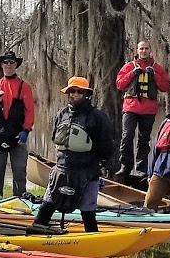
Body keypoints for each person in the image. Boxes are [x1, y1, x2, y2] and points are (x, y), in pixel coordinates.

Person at [29, 76, 116, 233]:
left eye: (79, 92)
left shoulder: (97, 117)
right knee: (47, 206)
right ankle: (34, 234)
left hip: (87, 171)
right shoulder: (61, 114)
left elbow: (107, 145)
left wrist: (101, 164)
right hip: (62, 169)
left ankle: (93, 242)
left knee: (88, 212)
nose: (75, 95)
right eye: (72, 91)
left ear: (85, 94)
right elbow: (55, 137)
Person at [114, 40, 170, 180]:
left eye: (146, 48)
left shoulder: (157, 68)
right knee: (127, 136)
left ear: (150, 50)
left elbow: (165, 86)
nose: (144, 51)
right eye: (141, 49)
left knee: (143, 139)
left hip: (148, 110)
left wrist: (155, 75)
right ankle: (125, 166)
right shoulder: (129, 66)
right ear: (137, 51)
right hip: (130, 107)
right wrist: (132, 74)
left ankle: (141, 169)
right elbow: (119, 85)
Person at [0, 50, 35, 197]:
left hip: (18, 137)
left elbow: (30, 111)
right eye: (5, 62)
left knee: (19, 173)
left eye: (11, 62)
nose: (8, 65)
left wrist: (26, 130)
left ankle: (20, 201)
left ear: (16, 65)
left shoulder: (24, 87)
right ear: (1, 65)